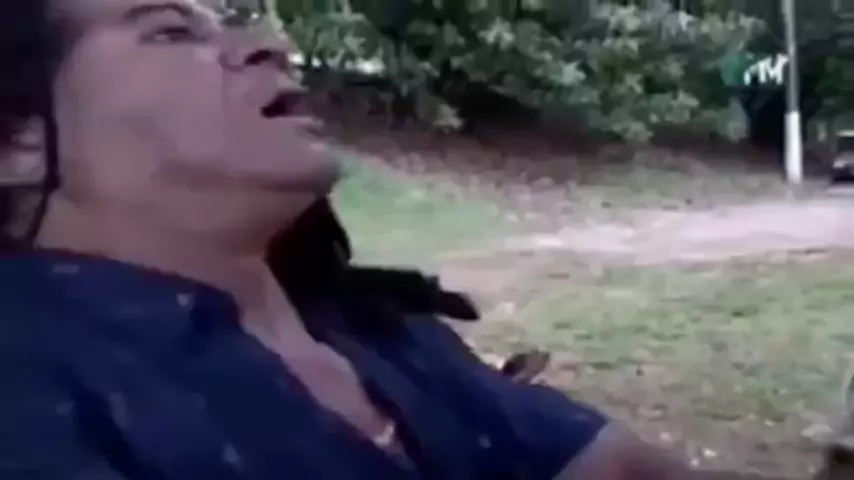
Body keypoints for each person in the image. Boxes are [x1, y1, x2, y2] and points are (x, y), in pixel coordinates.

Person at [0, 0, 695, 478]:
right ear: (18, 142)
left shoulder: (377, 330)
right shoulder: (26, 393)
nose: (268, 44)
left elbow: (620, 469)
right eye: (171, 32)